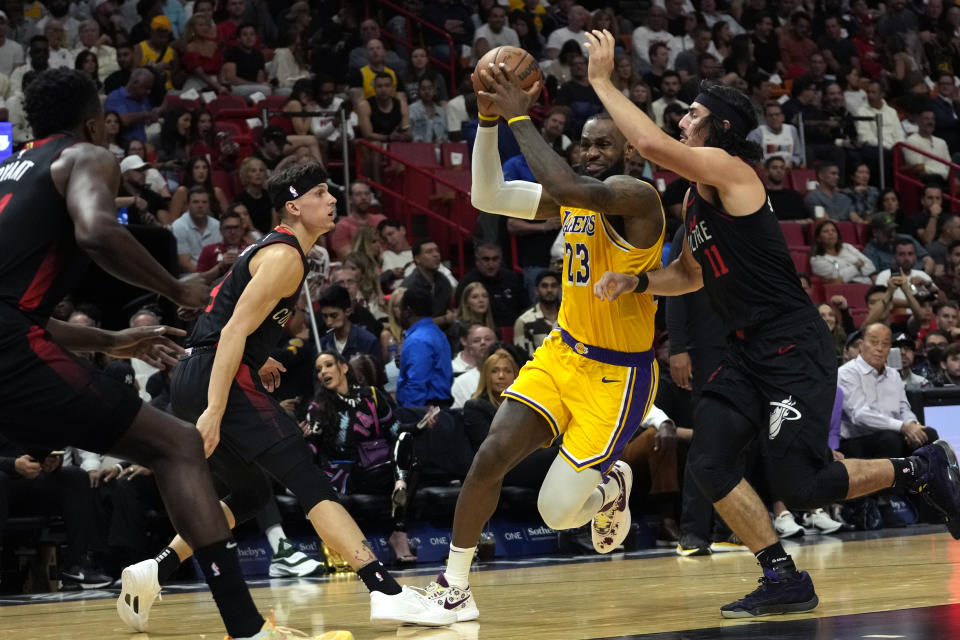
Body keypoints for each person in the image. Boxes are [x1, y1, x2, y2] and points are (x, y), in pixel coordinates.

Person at [583, 29, 960, 618]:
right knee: (708, 463)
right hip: (740, 351)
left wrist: (603, 82)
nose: (684, 119)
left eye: (695, 114)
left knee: (805, 484)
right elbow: (688, 274)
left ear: (721, 130)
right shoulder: (694, 198)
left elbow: (650, 145)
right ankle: (781, 575)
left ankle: (919, 468)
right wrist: (636, 283)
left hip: (790, 345)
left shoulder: (730, 172)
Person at [0, 67, 292, 640]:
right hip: (11, 346)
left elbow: (19, 310)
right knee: (178, 445)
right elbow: (98, 232)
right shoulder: (83, 156)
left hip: (14, 337)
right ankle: (247, 629)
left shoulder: (9, 175)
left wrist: (110, 341)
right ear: (92, 122)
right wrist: (179, 289)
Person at [118, 162, 456, 631]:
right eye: (321, 192)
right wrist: (217, 409)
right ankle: (385, 590)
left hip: (200, 372)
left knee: (253, 490)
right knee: (307, 478)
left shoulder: (275, 251)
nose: (332, 199)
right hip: (220, 376)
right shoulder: (286, 257)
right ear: (295, 206)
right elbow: (233, 327)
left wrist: (257, 359)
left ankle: (154, 570)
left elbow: (222, 318)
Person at [417, 51, 667, 621]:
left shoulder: (638, 198)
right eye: (585, 145)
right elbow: (488, 196)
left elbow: (567, 183)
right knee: (490, 456)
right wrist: (486, 121)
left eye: (604, 145)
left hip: (617, 376)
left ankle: (611, 487)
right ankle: (453, 587)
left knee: (556, 512)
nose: (592, 152)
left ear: (629, 151)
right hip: (561, 354)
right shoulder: (571, 195)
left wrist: (517, 115)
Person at [396, 287, 453, 408]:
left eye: (400, 310)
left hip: (424, 411)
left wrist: (408, 415)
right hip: (438, 407)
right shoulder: (438, 333)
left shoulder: (417, 340)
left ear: (407, 311)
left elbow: (416, 383)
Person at [809, 219, 876, 284]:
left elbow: (870, 266)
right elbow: (837, 278)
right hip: (846, 288)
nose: (831, 233)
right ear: (818, 238)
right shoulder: (817, 260)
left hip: (867, 284)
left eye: (833, 230)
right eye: (826, 231)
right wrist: (857, 266)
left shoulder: (847, 247)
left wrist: (847, 272)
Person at [513, 270, 561, 356]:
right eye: (544, 286)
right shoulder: (524, 321)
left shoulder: (569, 318)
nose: (549, 290)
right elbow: (522, 356)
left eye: (553, 286)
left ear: (560, 289)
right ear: (536, 290)